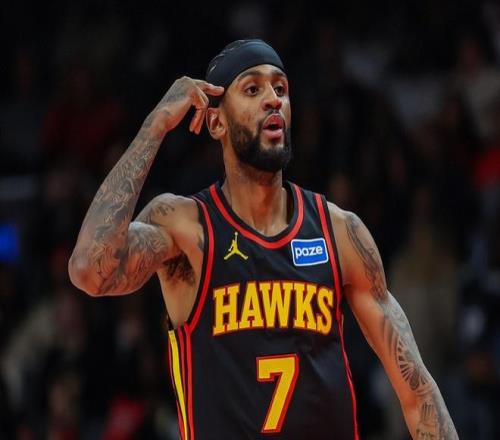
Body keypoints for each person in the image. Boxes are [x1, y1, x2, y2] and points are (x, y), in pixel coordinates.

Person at [68, 39, 458, 439]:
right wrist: (154, 127)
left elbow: (419, 394)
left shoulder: (340, 231)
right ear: (216, 123)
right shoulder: (186, 228)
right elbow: (90, 271)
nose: (273, 99)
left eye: (281, 88)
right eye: (252, 89)